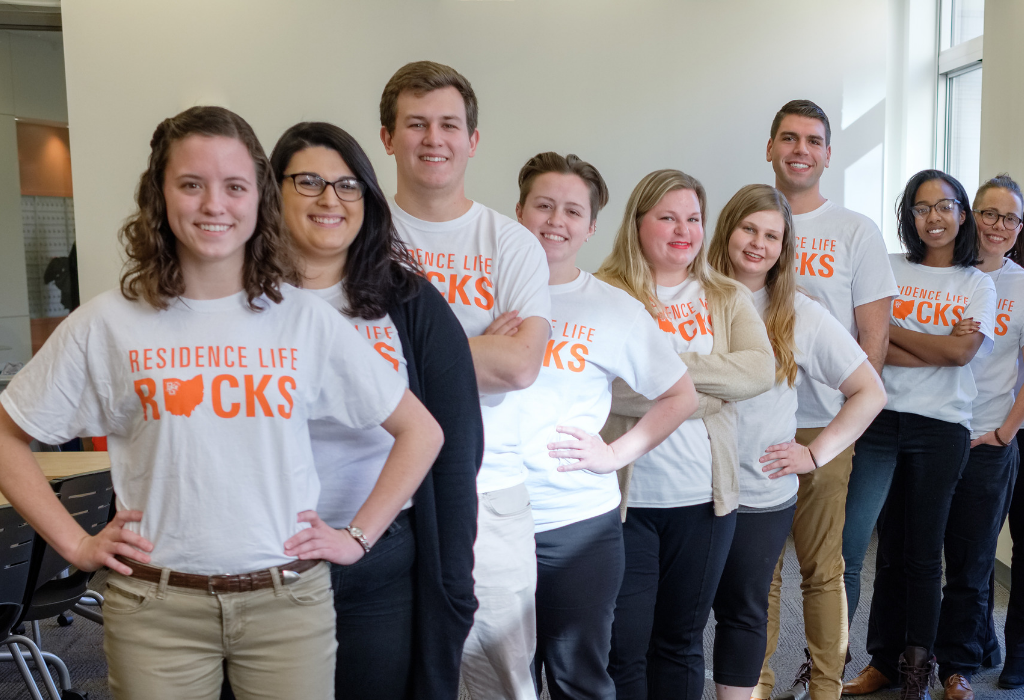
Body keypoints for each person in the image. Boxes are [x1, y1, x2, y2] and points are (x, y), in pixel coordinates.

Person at [0, 106, 443, 699]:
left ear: (257, 197)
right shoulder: (107, 323)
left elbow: (422, 431)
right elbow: (7, 437)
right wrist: (76, 544)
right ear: (160, 194)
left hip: (288, 605)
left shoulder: (304, 321)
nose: (214, 204)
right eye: (191, 184)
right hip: (156, 608)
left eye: (234, 186)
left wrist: (356, 537)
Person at [270, 121, 482, 700]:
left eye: (347, 185)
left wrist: (450, 577)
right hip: (268, 560)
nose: (328, 198)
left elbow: (456, 448)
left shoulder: (408, 301)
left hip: (380, 558)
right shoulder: (244, 301)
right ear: (273, 193)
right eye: (308, 181)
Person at [379, 61, 551, 700]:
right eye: (416, 123)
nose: (433, 138)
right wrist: (473, 349)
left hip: (492, 486)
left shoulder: (510, 244)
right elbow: (334, 368)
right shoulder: (359, 239)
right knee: (390, 666)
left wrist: (396, 354)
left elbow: (520, 365)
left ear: (473, 140)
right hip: (374, 493)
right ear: (387, 137)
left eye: (449, 124)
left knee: (500, 677)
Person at [503, 152, 697, 700]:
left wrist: (614, 455)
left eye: (572, 211)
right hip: (489, 516)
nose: (555, 221)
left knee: (579, 677)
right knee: (500, 678)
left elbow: (678, 395)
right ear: (518, 210)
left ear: (590, 227)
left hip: (577, 524)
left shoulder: (612, 309)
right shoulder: (480, 296)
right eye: (543, 205)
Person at [595, 169, 775, 700]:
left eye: (693, 218)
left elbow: (758, 372)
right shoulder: (605, 293)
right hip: (625, 501)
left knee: (679, 642)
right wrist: (704, 389)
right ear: (638, 223)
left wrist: (661, 371)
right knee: (622, 647)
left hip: (703, 502)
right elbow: (603, 387)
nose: (684, 230)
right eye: (668, 217)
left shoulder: (725, 295)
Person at [706, 183, 886, 700]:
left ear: (784, 248)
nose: (758, 244)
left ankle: (823, 689)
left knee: (786, 587)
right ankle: (755, 688)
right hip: (695, 485)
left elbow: (868, 390)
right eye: (748, 229)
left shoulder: (797, 311)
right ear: (727, 229)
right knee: (715, 609)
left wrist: (814, 452)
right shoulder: (693, 297)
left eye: (772, 236)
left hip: (762, 488)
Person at [756, 100, 898, 700]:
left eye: (813, 141)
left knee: (825, 569)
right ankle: (754, 683)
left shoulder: (855, 230)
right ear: (770, 148)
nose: (800, 150)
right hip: (758, 425)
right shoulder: (750, 218)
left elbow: (874, 340)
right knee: (758, 571)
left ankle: (824, 685)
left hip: (824, 427)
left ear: (828, 155)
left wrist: (847, 427)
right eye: (788, 138)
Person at [842, 170, 996, 700]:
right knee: (880, 550)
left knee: (925, 555)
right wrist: (922, 343)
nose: (934, 216)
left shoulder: (978, 283)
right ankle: (881, 662)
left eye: (945, 206)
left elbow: (960, 355)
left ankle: (916, 671)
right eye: (921, 207)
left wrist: (886, 333)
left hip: (942, 428)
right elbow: (864, 340)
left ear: (962, 214)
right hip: (880, 419)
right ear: (909, 215)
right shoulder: (886, 269)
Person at [933, 174, 1024, 700]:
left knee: (971, 560)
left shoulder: (1020, 285)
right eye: (989, 214)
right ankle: (916, 652)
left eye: (1009, 218)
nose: (998, 226)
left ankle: (959, 666)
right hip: (934, 429)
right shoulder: (950, 274)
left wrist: (1005, 432)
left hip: (987, 440)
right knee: (921, 554)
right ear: (969, 215)